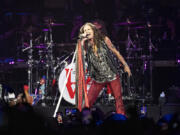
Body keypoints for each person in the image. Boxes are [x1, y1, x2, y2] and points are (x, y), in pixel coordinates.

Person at [75, 22, 131, 115]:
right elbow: (80, 57)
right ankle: (84, 119)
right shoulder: (85, 44)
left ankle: (121, 119)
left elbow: (116, 52)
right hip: (98, 77)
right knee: (88, 101)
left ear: (93, 30)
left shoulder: (104, 39)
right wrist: (81, 42)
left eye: (89, 29)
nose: (87, 32)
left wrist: (126, 65)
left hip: (111, 74)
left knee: (118, 99)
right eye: (85, 30)